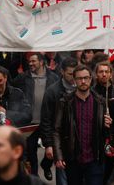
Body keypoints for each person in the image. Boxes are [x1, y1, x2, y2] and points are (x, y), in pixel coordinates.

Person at [54, 65, 112, 185]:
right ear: (74, 81)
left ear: (91, 79)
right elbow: (56, 130)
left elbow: (106, 134)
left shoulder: (100, 102)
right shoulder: (65, 102)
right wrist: (58, 155)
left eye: (86, 78)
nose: (83, 81)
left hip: (95, 158)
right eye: (80, 78)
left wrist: (108, 125)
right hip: (73, 158)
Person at [12, 53, 58, 178]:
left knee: (52, 148)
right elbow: (13, 92)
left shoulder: (53, 78)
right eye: (29, 61)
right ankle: (34, 177)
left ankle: (46, 165)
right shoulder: (22, 78)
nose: (30, 63)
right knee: (31, 152)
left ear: (42, 62)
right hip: (30, 122)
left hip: (47, 122)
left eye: (33, 61)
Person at [39, 57, 77, 185]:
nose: (73, 77)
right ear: (62, 72)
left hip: (79, 141)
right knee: (62, 176)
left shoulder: (83, 88)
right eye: (70, 74)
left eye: (75, 74)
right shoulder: (52, 92)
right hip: (60, 140)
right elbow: (46, 120)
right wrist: (48, 144)